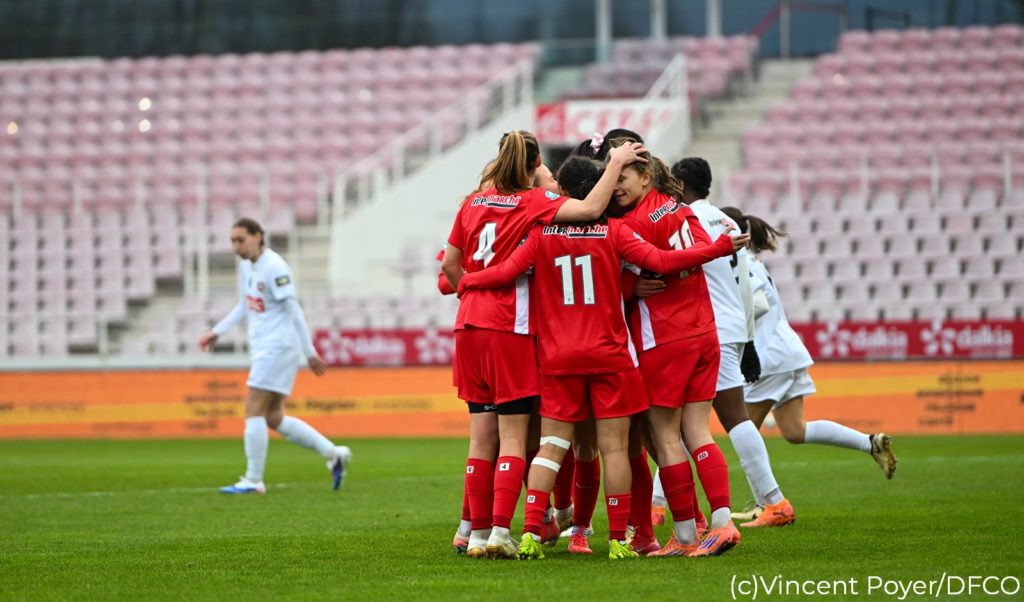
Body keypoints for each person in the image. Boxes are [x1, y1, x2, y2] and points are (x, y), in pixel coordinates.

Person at [457, 156, 745, 560]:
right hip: (616, 353)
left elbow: (506, 272)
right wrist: (708, 252)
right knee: (620, 449)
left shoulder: (539, 233)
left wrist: (467, 281)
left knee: (553, 446)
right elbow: (659, 262)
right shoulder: (620, 228)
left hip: (559, 358)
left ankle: (530, 533)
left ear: (563, 193)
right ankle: (621, 540)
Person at [441, 130, 647, 558]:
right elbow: (595, 214)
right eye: (547, 175)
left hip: (482, 331)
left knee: (489, 440)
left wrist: (468, 289)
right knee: (531, 440)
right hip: (526, 334)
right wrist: (615, 163)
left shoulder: (474, 203)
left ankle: (480, 531)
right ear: (535, 167)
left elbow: (449, 269)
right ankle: (526, 531)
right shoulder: (537, 205)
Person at [718, 206, 897, 519]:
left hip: (769, 356)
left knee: (742, 429)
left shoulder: (738, 263)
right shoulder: (753, 262)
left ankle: (766, 505)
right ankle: (870, 443)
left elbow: (757, 305)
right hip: (787, 350)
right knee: (794, 430)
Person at [608, 141, 743, 557]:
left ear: (645, 176)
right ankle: (720, 523)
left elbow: (661, 262)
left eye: (622, 178)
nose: (615, 186)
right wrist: (715, 248)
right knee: (698, 431)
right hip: (704, 332)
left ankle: (687, 534)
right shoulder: (678, 206)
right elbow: (694, 253)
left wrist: (630, 285)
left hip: (663, 340)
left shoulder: (627, 224)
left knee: (666, 436)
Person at [670, 157, 795, 529]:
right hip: (733, 326)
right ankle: (667, 505)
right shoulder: (725, 221)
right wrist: (749, 339)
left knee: (720, 417)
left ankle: (774, 501)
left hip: (711, 327)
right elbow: (743, 285)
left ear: (680, 184)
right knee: (695, 419)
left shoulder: (687, 220)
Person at [199, 218, 351, 494]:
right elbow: (245, 304)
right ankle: (333, 454)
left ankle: (253, 479)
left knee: (252, 409)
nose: (236, 247)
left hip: (277, 347)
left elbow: (293, 309)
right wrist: (217, 331)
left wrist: (310, 352)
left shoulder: (275, 267)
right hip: (266, 347)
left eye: (241, 240)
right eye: (232, 241)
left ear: (258, 236)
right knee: (272, 416)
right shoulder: (247, 266)